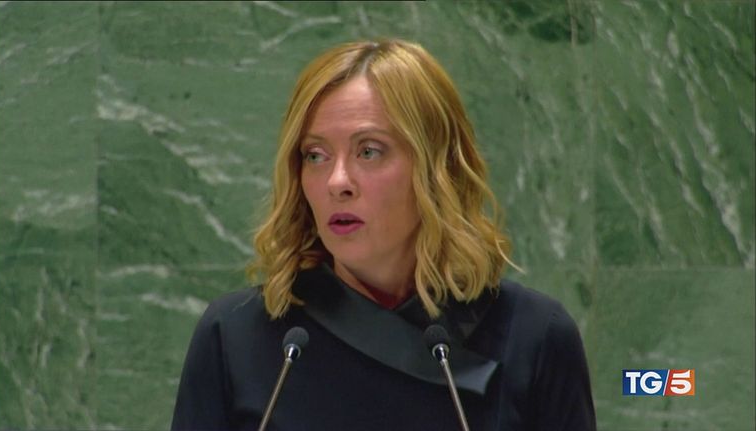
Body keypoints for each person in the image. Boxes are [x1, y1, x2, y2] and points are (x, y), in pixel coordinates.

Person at [171, 38, 596, 431]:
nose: (337, 181)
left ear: (436, 170)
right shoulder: (237, 336)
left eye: (369, 151)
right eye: (315, 155)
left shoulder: (533, 336)